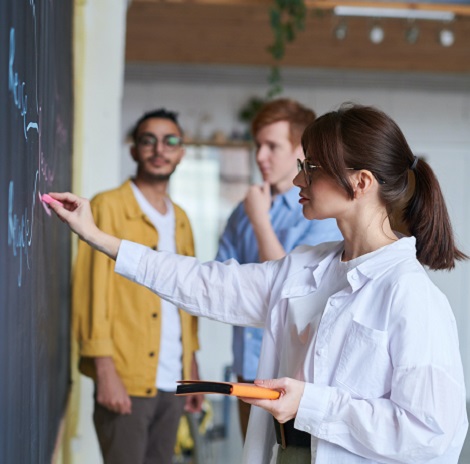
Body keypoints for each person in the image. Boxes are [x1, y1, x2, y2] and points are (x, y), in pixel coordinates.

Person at [50, 103, 468, 464]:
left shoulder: (410, 296)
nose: (299, 179)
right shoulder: (306, 267)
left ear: (360, 183)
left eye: (312, 167)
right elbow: (205, 284)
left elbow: (430, 432)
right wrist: (101, 238)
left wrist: (310, 402)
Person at [71, 108, 202, 464]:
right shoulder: (108, 207)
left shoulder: (182, 220)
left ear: (181, 153)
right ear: (134, 150)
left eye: (170, 141)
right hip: (126, 376)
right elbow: (90, 291)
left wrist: (192, 368)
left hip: (174, 381)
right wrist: (104, 369)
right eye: (149, 140)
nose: (160, 149)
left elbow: (186, 298)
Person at [215, 98, 342, 438]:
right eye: (258, 145)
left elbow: (292, 288)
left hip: (298, 376)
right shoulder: (244, 211)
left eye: (272, 146)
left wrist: (260, 221)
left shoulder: (324, 213)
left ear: (300, 149)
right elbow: (222, 283)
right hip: (248, 370)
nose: (260, 156)